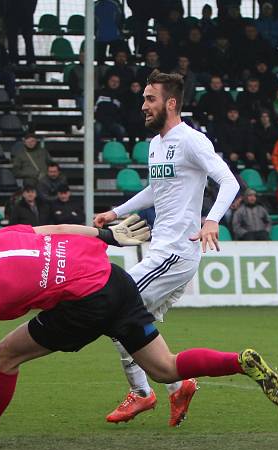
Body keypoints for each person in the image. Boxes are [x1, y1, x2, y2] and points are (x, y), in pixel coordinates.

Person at [0, 222, 278, 446]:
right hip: (114, 280)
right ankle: (239, 362)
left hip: (84, 303)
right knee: (165, 369)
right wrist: (106, 236)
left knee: (4, 357)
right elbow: (56, 229)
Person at [93, 71, 241, 427]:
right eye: (144, 98)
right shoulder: (156, 145)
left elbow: (228, 181)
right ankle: (177, 385)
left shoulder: (192, 140)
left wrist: (211, 220)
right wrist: (116, 212)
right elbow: (155, 191)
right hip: (161, 251)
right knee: (121, 324)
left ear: (170, 103)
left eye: (150, 99)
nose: (143, 105)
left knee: (112, 306)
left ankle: (145, 394)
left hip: (176, 252)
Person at [216, 106, 257, 170]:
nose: (233, 115)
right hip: (229, 152)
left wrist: (250, 151)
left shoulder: (245, 124)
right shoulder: (222, 125)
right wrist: (230, 153)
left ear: (238, 114)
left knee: (250, 161)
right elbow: (222, 142)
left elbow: (250, 138)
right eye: (230, 112)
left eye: (235, 113)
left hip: (244, 151)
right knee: (232, 165)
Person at [0, 0, 36, 66]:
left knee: (27, 39)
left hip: (22, 13)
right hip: (12, 13)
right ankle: (15, 61)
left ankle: (28, 61)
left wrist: (30, 10)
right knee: (13, 39)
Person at [94, 74, 126, 141]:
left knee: (121, 130)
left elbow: (122, 112)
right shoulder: (99, 93)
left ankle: (117, 150)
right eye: (113, 81)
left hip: (113, 122)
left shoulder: (120, 96)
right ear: (108, 81)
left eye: (117, 82)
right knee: (97, 128)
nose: (114, 83)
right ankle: (96, 151)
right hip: (100, 121)